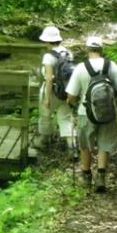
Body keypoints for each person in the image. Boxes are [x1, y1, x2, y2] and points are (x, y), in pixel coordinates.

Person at [65, 36, 117, 192]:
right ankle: (101, 177)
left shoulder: (81, 68)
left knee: (85, 144)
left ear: (87, 50)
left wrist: (70, 104)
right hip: (108, 112)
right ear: (101, 49)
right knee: (104, 143)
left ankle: (86, 175)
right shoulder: (111, 66)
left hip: (85, 112)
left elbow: (72, 95)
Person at [33, 25, 75, 153]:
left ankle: (44, 141)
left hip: (53, 92)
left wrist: (47, 98)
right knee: (66, 117)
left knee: (45, 115)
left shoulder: (48, 57)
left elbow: (49, 79)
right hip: (67, 91)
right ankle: (72, 147)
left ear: (47, 41)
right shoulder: (68, 53)